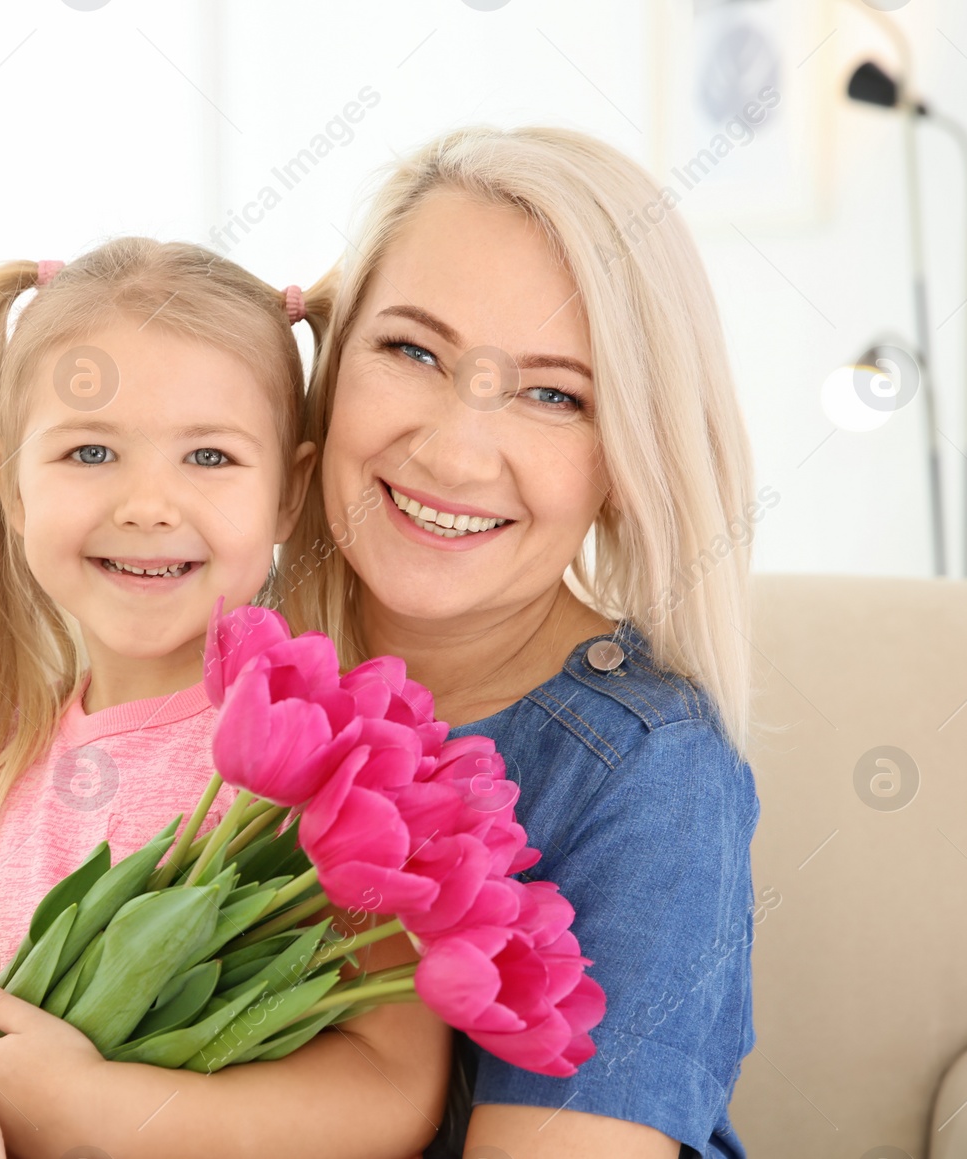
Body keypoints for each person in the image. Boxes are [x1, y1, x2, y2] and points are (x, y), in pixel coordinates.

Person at [0, 238, 453, 1159]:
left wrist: (101, 1105)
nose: (147, 503)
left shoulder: (327, 754)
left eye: (209, 456)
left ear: (288, 493)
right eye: (90, 451)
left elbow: (392, 1088)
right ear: (11, 486)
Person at [278, 125, 763, 1158]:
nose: (455, 450)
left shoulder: (650, 772)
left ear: (629, 465)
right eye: (412, 350)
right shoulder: (214, 666)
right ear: (331, 361)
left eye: (555, 394)